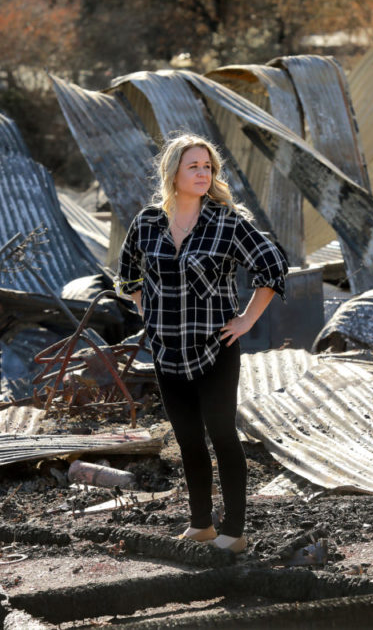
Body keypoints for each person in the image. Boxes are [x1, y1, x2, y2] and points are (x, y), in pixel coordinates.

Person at [118, 133, 288, 553]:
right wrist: (147, 309)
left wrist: (247, 319)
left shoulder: (226, 221)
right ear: (173, 172)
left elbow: (273, 265)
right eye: (193, 166)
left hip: (215, 348)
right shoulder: (148, 222)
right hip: (166, 350)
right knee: (188, 439)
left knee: (222, 434)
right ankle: (201, 525)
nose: (202, 173)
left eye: (207, 167)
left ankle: (233, 531)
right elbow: (128, 275)